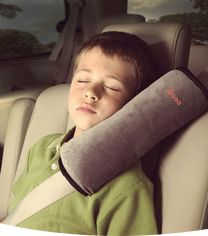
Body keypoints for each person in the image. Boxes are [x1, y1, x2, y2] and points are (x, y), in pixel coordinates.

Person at [8, 31, 158, 235]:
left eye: (112, 87)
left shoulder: (127, 185)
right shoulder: (43, 149)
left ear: (135, 104)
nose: (90, 92)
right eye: (82, 80)